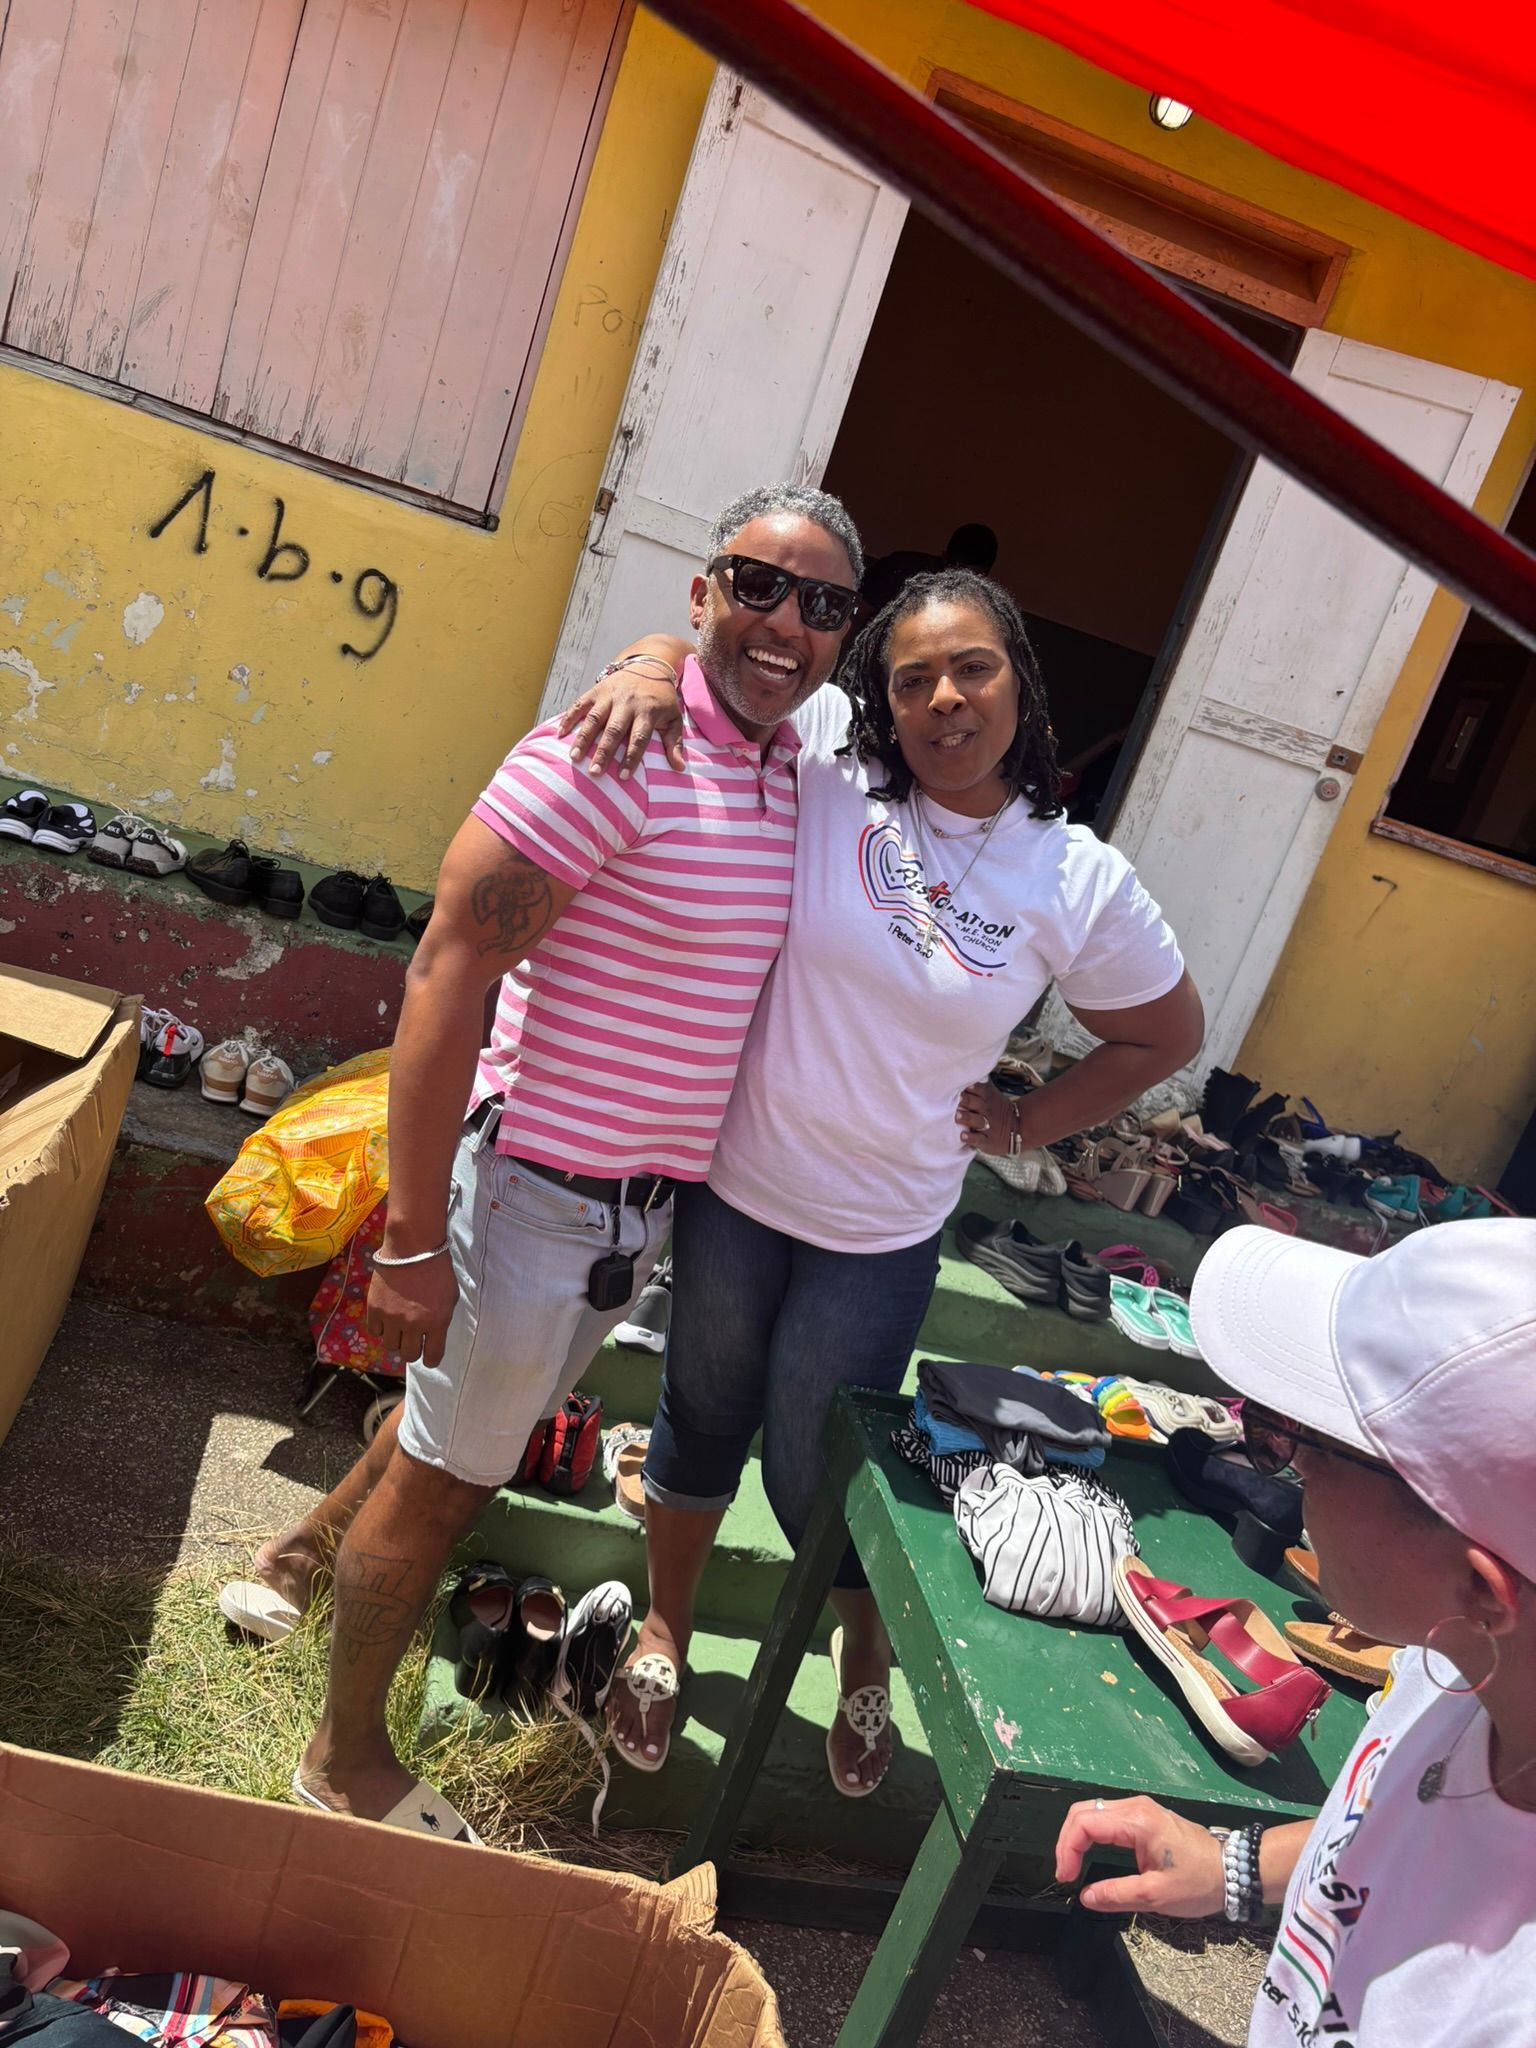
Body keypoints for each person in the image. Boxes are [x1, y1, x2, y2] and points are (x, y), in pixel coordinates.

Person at [223, 482, 862, 1837]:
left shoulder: (782, 769)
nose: (787, 623)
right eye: (757, 584)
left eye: (823, 604)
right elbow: (451, 965)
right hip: (528, 1194)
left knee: (470, 1434)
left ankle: (301, 1550)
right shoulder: (608, 750)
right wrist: (408, 1233)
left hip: (626, 1218)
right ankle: (345, 1765)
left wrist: (666, 660)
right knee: (456, 1475)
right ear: (703, 591)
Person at [562, 568, 1203, 1792]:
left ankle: (863, 1651)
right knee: (700, 1415)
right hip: (740, 1186)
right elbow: (725, 666)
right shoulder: (829, 771)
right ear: (882, 695)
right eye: (911, 679)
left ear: (1019, 674)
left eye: (972, 668)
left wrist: (1027, 1116)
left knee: (819, 1465)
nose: (943, 699)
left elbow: (1166, 1033)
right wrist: (648, 659)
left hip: (881, 1226)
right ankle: (665, 1630)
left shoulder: (1073, 878)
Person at [1054, 1217, 1536, 2046]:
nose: (1293, 1464)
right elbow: (1396, 1827)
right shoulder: (1457, 1667)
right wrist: (1229, 1869)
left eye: (1310, 1441)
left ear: (1482, 1589)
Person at [860, 521, 999, 614]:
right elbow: (858, 616)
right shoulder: (900, 570)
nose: (964, 585)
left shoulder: (978, 607)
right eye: (958, 575)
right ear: (944, 559)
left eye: (976, 579)